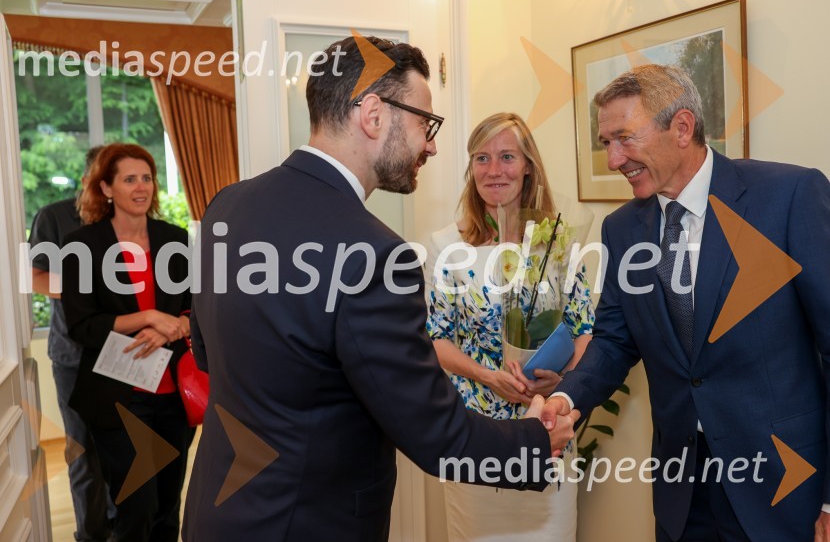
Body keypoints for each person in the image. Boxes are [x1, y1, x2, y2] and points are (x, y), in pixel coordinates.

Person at [182, 36, 580, 542]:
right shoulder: (376, 254)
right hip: (306, 523)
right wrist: (536, 440)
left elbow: (208, 352)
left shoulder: (227, 206)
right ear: (373, 115)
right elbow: (437, 436)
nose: (432, 145)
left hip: (219, 513)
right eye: (425, 124)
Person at [542, 64, 830, 541]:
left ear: (681, 127)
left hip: (786, 486)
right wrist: (564, 398)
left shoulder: (789, 197)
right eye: (605, 143)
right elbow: (614, 341)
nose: (613, 160)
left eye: (624, 139)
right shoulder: (622, 230)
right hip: (682, 493)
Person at [425, 112, 595, 542]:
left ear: (528, 167)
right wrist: (488, 377)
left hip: (548, 436)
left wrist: (561, 387)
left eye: (506, 157)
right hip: (476, 441)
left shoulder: (555, 243)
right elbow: (437, 340)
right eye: (481, 158)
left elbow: (583, 331)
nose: (494, 170)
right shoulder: (450, 246)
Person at [61, 143, 195, 542]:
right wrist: (150, 317)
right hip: (118, 397)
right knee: (137, 508)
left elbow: (197, 308)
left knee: (169, 507)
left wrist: (173, 327)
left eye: (147, 178)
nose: (141, 188)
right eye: (129, 179)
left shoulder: (174, 238)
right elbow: (82, 326)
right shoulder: (81, 245)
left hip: (173, 395)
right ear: (106, 188)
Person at [29, 146, 114, 542]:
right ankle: (90, 534)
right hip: (72, 357)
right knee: (83, 452)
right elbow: (36, 278)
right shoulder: (53, 217)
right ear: (88, 181)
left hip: (124, 353)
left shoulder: (129, 219)